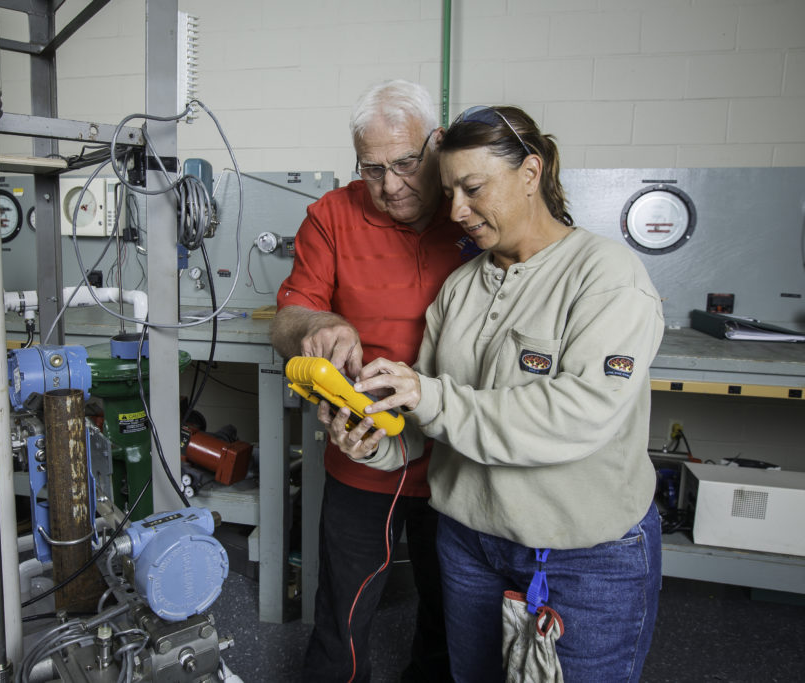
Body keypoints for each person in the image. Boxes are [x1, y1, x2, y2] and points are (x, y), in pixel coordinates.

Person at [321, 105, 664, 682]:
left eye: (473, 188)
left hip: (583, 556)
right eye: (450, 192)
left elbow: (579, 417)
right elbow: (426, 425)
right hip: (469, 545)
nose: (456, 211)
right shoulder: (460, 288)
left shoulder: (606, 275)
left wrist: (428, 397)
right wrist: (372, 439)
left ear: (531, 173)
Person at [271, 80, 480, 682]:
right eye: (372, 169)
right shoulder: (333, 216)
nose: (390, 186)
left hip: (459, 458)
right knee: (345, 607)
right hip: (363, 449)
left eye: (406, 164)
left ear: (437, 145)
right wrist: (318, 324)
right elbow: (288, 319)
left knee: (454, 612)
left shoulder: (475, 214)